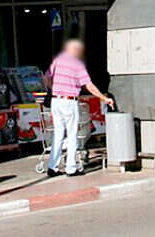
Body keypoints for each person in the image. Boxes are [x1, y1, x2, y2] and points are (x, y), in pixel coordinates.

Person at [44, 39, 114, 176]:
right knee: (72, 135)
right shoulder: (77, 65)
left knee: (58, 134)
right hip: (69, 102)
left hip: (56, 101)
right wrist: (104, 98)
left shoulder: (57, 61)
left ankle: (52, 167)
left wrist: (55, 89)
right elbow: (89, 86)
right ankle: (71, 168)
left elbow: (46, 78)